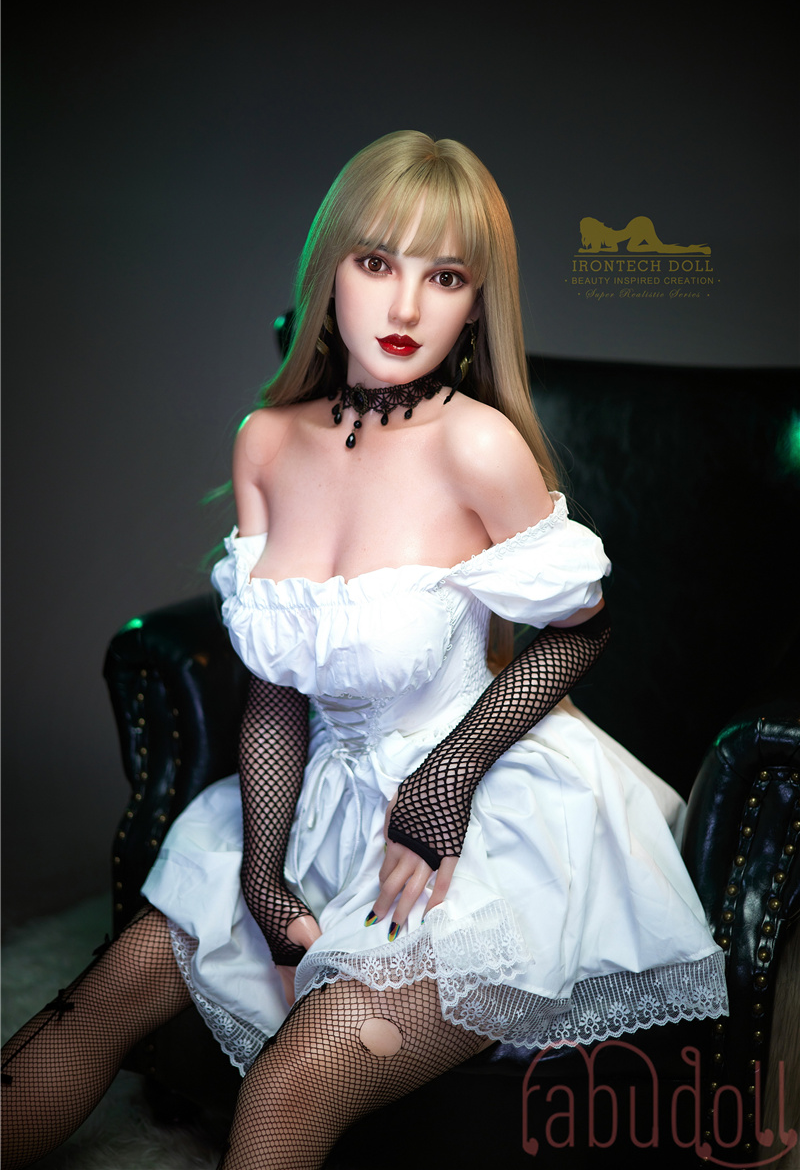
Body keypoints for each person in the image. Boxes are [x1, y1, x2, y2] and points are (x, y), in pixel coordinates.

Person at [2, 131, 728, 1170]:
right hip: (317, 798)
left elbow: (585, 623)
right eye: (377, 262)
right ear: (329, 270)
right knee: (95, 999)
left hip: (481, 805)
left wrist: (447, 777)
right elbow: (275, 688)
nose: (405, 307)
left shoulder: (476, 442)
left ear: (474, 304)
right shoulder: (265, 440)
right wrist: (262, 873)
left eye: (445, 277)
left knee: (293, 1080)